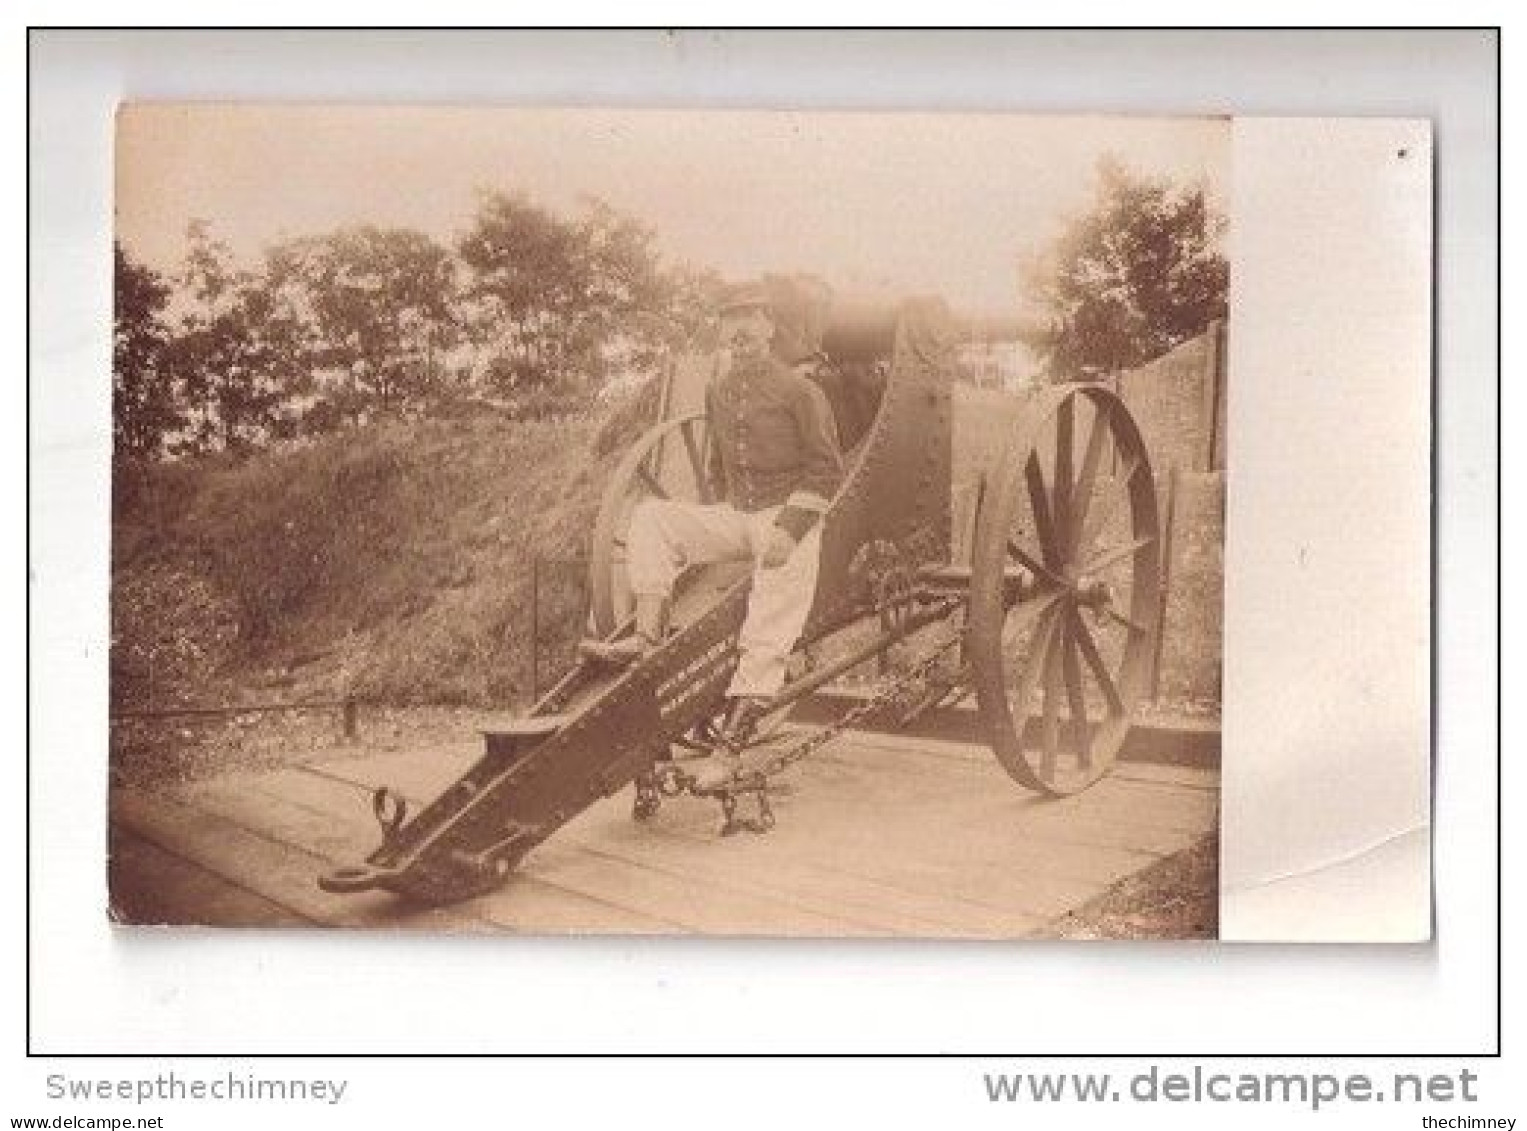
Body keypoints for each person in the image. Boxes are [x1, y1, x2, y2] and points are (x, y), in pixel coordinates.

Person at [582, 282, 845, 788]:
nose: (740, 329)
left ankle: (730, 748)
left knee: (771, 615)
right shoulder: (719, 391)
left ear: (769, 327)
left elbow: (826, 471)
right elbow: (719, 468)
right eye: (730, 320)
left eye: (749, 317)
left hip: (787, 518)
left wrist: (790, 531)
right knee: (652, 517)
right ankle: (645, 637)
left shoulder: (800, 390)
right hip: (739, 517)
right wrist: (720, 524)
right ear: (722, 331)